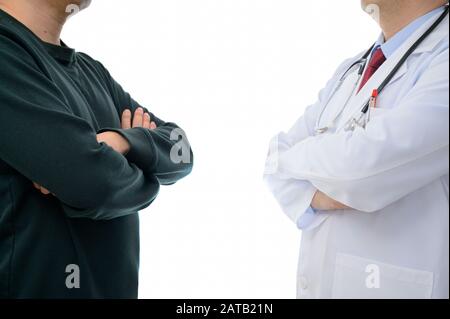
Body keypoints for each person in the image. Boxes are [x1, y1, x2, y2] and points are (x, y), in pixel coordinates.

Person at [0, 0, 193, 298]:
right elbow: (90, 182)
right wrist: (149, 176)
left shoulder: (91, 71)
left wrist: (123, 141)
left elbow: (181, 150)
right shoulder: (5, 53)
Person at [265, 0, 449, 299]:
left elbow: (361, 171)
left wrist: (299, 164)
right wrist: (328, 173)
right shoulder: (352, 69)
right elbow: (274, 159)